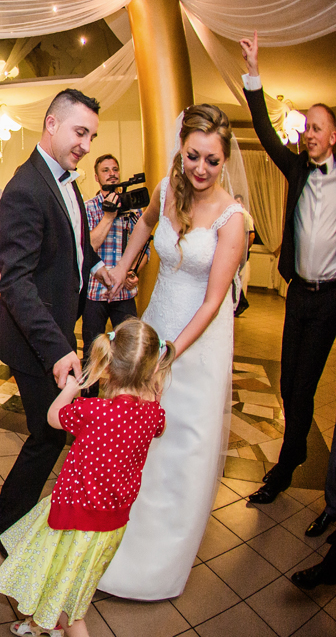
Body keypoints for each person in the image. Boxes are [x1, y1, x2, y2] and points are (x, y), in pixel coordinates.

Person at [96, 103, 245, 600]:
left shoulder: (232, 218)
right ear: (180, 150)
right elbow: (143, 226)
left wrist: (171, 352)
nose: (200, 168)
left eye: (212, 160)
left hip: (196, 342)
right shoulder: (166, 189)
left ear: (225, 160)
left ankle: (159, 565)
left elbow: (213, 301)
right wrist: (121, 270)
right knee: (136, 439)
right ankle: (115, 535)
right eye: (193, 156)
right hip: (158, 320)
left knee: (181, 444)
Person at [0, 320, 171, 637]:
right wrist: (153, 391)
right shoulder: (152, 414)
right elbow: (160, 426)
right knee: (69, 579)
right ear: (153, 369)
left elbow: (53, 417)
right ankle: (40, 623)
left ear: (108, 367)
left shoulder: (94, 411)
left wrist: (71, 390)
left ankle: (53, 622)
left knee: (65, 597)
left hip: (75, 518)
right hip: (112, 523)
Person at [0, 89, 110, 547]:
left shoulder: (66, 179)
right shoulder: (25, 188)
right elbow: (16, 282)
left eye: (92, 136)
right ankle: (6, 524)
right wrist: (58, 348)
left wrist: (100, 269)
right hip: (34, 339)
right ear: (52, 124)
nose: (86, 144)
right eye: (80, 132)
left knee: (50, 431)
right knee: (48, 432)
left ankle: (7, 514)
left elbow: (74, 244)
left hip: (56, 329)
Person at [240, 33, 336, 541]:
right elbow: (263, 128)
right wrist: (254, 72)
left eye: (316, 128)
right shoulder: (297, 167)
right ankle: (294, 448)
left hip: (332, 298)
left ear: (333, 136)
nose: (307, 134)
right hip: (299, 293)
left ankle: (284, 467)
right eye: (306, 127)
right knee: (288, 383)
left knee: (305, 385)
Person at [82, 155, 144, 360]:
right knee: (92, 354)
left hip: (125, 292)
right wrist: (108, 216)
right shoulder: (88, 208)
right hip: (95, 292)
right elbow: (88, 247)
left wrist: (132, 271)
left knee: (130, 352)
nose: (112, 174)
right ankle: (89, 384)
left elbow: (144, 250)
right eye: (106, 170)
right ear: (97, 177)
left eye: (115, 169)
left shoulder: (134, 209)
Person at [233, 194, 255, 316]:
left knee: (236, 278)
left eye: (239, 202)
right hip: (235, 251)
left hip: (242, 253)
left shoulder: (246, 216)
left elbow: (251, 235)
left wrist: (244, 251)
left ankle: (241, 302)